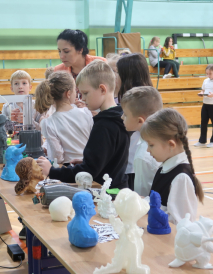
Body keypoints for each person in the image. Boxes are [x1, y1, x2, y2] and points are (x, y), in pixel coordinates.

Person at [37, 60, 130, 189]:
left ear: (102, 89)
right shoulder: (119, 117)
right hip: (116, 186)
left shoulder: (104, 125)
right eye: (81, 94)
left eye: (86, 93)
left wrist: (52, 171)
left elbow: (89, 171)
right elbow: (108, 159)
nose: (83, 98)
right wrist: (88, 161)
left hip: (106, 193)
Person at [140, 108, 204, 224]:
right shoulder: (165, 165)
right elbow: (158, 202)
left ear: (171, 144)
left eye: (151, 145)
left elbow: (180, 223)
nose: (148, 150)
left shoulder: (181, 178)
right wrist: (141, 202)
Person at [35, 71, 93, 165]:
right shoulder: (86, 112)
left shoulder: (48, 122)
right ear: (68, 93)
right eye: (75, 90)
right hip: (89, 165)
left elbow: (57, 157)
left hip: (67, 169)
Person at [117, 53, 153, 190]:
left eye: (118, 73)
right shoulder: (145, 97)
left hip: (133, 165)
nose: (115, 77)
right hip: (132, 163)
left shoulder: (136, 103)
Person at [121, 86, 163, 197]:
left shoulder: (143, 156)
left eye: (125, 114)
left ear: (140, 120)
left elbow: (143, 196)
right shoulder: (159, 143)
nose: (121, 117)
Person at [55, 29, 106, 113]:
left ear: (80, 49)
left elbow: (107, 95)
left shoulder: (101, 65)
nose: (62, 56)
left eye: (66, 51)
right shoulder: (58, 71)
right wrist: (71, 105)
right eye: (59, 51)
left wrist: (88, 107)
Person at [194, 64, 213, 148]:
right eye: (207, 73)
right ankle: (202, 141)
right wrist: (201, 93)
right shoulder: (205, 81)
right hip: (205, 105)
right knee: (203, 123)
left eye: (210, 73)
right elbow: (203, 90)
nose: (208, 75)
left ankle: (212, 141)